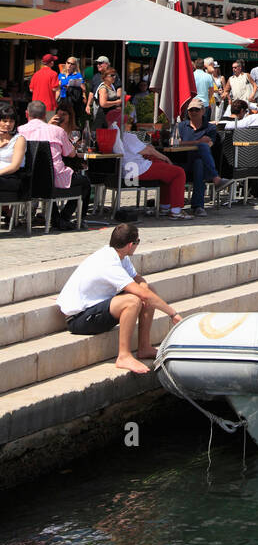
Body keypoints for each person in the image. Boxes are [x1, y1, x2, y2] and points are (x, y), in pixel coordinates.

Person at [56, 224, 182, 375]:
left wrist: (144, 286)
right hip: (78, 319)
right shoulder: (108, 262)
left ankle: (144, 347)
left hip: (96, 308)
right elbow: (143, 296)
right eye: (138, 242)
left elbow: (138, 279)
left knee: (147, 291)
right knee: (132, 301)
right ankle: (123, 356)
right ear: (131, 245)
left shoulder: (120, 255)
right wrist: (173, 314)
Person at [19, 99, 91, 229]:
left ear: (27, 114)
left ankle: (57, 218)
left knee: (47, 183)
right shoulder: (57, 131)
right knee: (85, 182)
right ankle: (65, 217)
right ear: (45, 115)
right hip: (54, 179)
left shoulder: (20, 130)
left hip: (29, 179)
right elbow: (71, 154)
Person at [114, 118, 189, 218]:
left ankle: (165, 206)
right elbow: (148, 150)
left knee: (166, 172)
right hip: (137, 169)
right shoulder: (127, 136)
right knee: (178, 172)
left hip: (124, 171)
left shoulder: (113, 135)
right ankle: (176, 211)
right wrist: (165, 157)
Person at [176, 98, 225, 214]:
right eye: (191, 110)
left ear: (203, 111)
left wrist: (197, 143)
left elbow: (209, 145)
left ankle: (198, 206)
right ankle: (215, 178)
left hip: (199, 163)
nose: (193, 112)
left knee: (199, 163)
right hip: (182, 160)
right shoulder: (181, 126)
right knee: (201, 148)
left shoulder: (210, 128)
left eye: (196, 110)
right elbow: (176, 143)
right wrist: (197, 142)